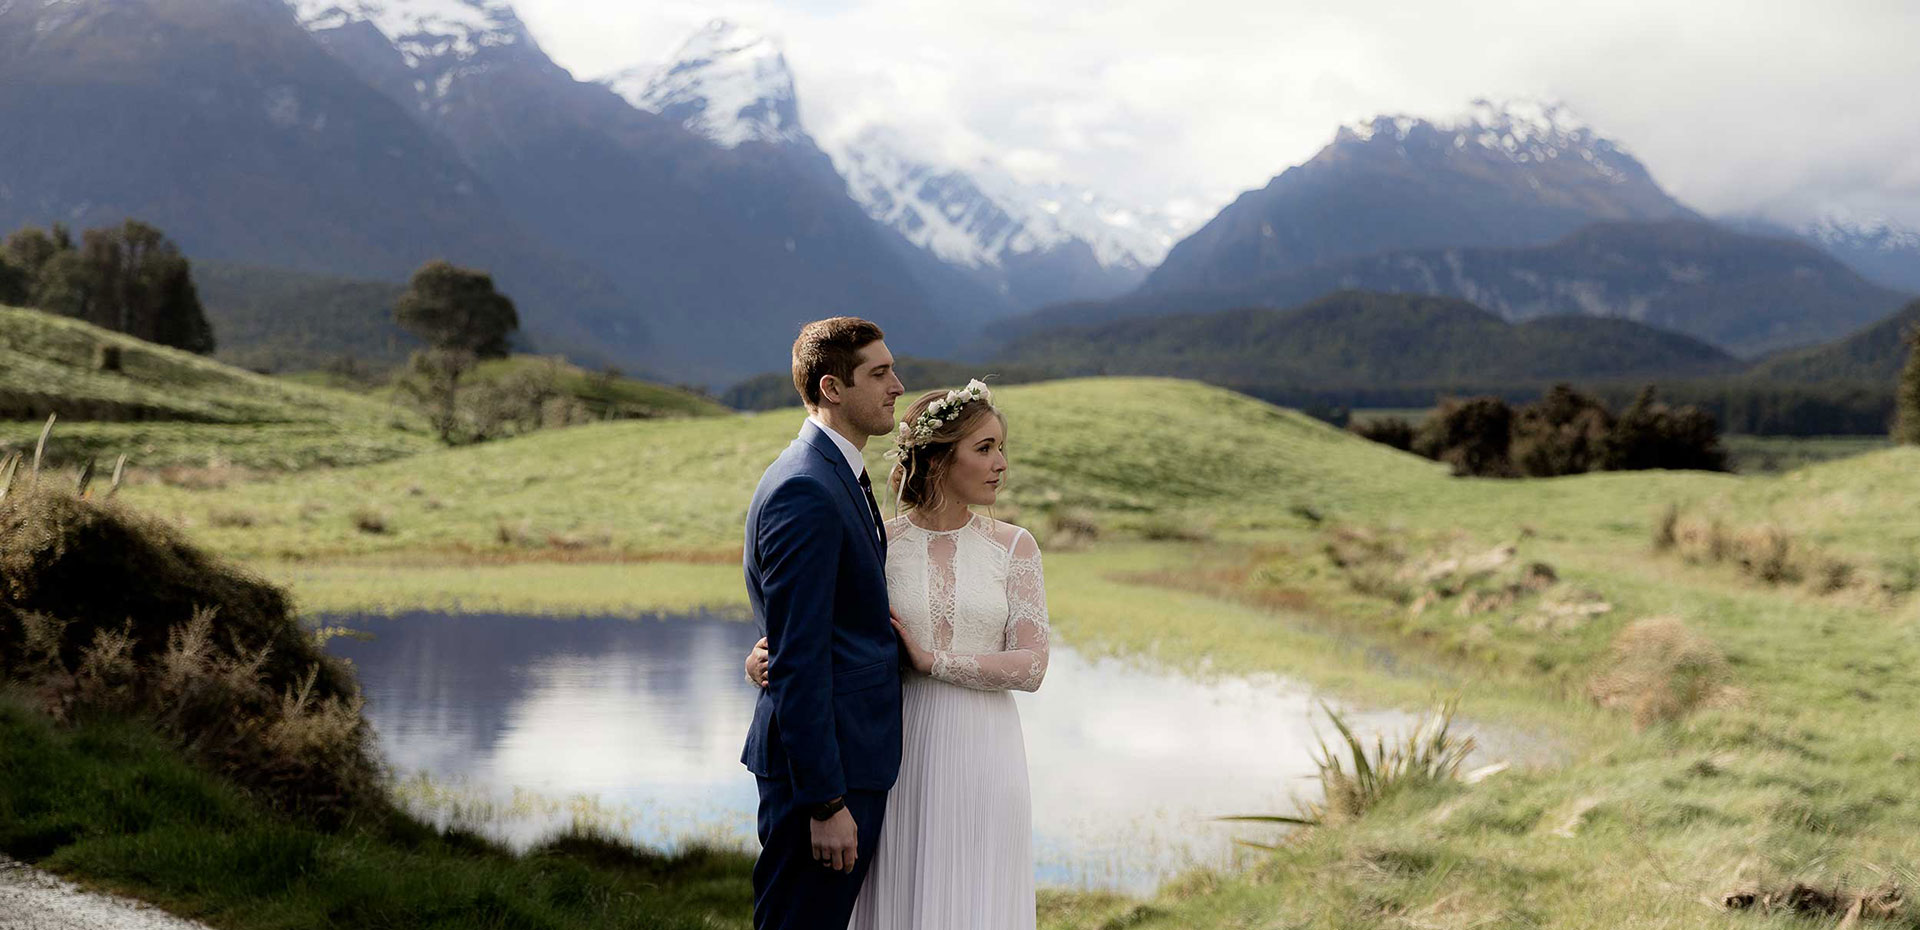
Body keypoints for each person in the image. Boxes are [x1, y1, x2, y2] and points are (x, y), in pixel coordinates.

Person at [748, 378, 1051, 929]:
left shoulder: (1015, 546)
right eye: (984, 449)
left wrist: (931, 660)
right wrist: (763, 655)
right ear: (936, 459)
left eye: (1001, 447)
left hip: (984, 752)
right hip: (892, 748)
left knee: (975, 897)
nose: (1000, 463)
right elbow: (816, 627)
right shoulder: (879, 542)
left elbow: (1031, 666)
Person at [740, 317, 905, 930]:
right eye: (880, 373)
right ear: (833, 388)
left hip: (849, 755)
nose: (897, 385)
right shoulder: (806, 488)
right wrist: (826, 801)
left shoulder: (837, 473)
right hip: (825, 773)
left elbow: (809, 626)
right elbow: (800, 655)